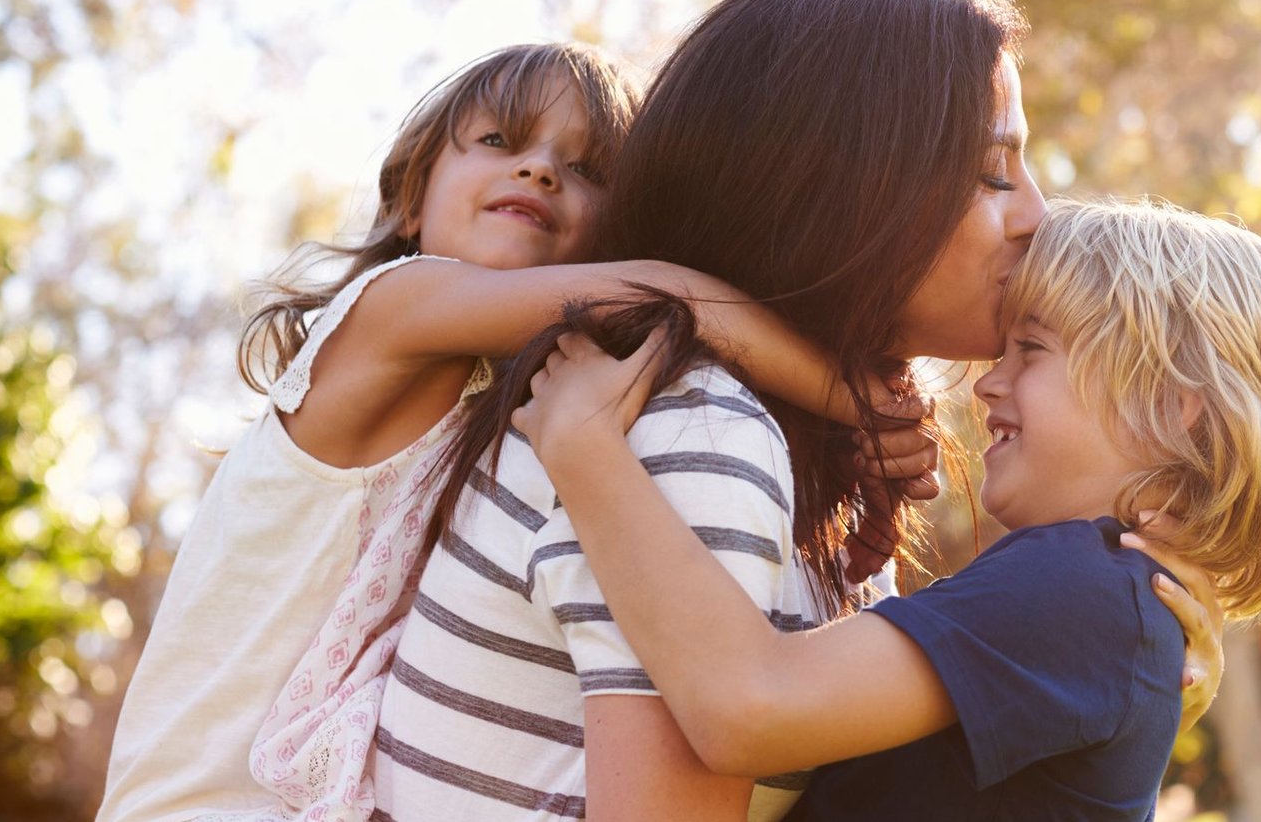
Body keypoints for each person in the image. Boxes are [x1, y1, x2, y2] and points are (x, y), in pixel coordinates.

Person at [366, 0, 1226, 822]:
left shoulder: (788, 448)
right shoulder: (694, 432)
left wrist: (1113, 672)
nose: (1038, 213)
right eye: (993, 170)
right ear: (842, 185)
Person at [96, 43, 931, 822]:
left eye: (587, 169)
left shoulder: (506, 402)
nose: (539, 168)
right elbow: (666, 293)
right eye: (501, 140)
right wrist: (856, 398)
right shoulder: (391, 309)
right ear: (408, 199)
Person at [516, 197, 1261, 821]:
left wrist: (585, 446)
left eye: (1032, 350)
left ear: (1174, 408)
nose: (989, 381)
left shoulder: (1081, 588)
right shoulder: (1109, 602)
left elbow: (748, 709)